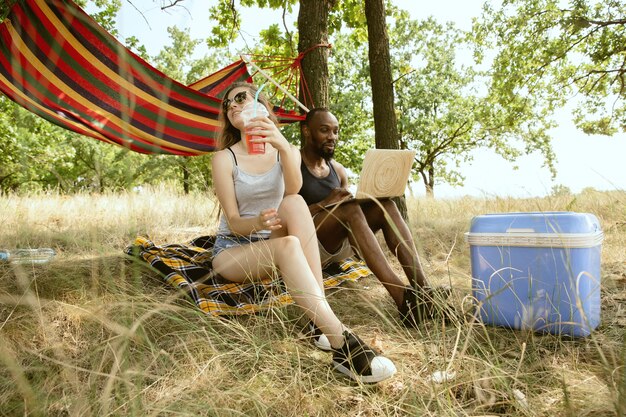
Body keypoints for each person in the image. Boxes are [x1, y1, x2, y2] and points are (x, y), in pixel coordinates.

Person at [210, 82, 396, 383]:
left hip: (272, 238)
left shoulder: (284, 150)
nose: (232, 104)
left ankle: (318, 324)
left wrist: (283, 146)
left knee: (294, 203)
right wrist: (257, 221)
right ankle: (342, 344)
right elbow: (233, 221)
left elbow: (294, 191)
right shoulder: (224, 159)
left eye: (240, 97)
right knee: (288, 247)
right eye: (227, 103)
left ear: (263, 108)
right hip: (234, 250)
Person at [299, 108, 451, 328]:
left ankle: (424, 292)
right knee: (348, 210)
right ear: (306, 131)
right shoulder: (294, 163)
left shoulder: (338, 170)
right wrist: (325, 204)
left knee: (385, 205)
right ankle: (403, 300)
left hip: (341, 244)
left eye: (335, 131)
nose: (332, 137)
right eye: (324, 130)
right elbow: (286, 214)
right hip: (311, 246)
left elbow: (348, 211)